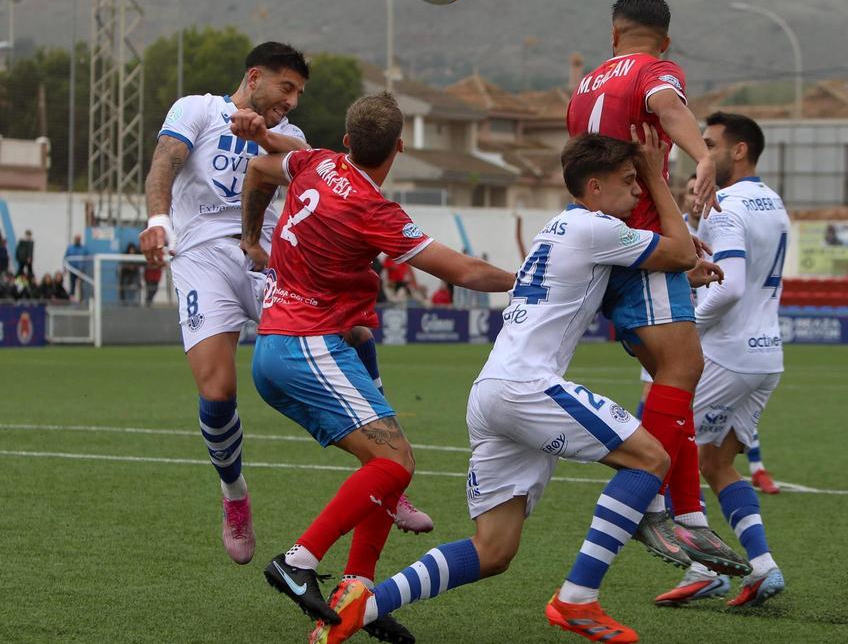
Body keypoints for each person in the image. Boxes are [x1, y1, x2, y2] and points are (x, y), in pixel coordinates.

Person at [308, 129, 700, 644]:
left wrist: (685, 273)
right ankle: (577, 598)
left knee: (493, 550)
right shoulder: (597, 227)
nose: (637, 190)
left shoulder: (561, 228)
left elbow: (612, 282)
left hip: (492, 391)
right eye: (629, 180)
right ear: (595, 187)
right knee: (650, 459)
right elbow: (680, 251)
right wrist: (657, 175)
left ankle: (360, 610)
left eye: (639, 180)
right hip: (526, 387)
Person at [138, 42, 431, 566]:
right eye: (286, 87)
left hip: (266, 257)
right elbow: (166, 159)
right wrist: (159, 219)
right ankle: (234, 495)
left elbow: (297, 164)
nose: (292, 101)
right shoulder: (197, 109)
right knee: (218, 389)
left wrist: (263, 143)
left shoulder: (289, 136)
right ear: (254, 77)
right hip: (201, 260)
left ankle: (389, 475)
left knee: (356, 334)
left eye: (298, 93)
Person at [241, 92, 515, 641]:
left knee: (388, 463)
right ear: (399, 147)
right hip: (306, 346)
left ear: (347, 141)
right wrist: (532, 280)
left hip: (280, 344)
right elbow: (463, 271)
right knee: (394, 462)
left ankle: (356, 589)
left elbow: (258, 169)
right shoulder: (373, 209)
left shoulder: (316, 162)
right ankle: (298, 560)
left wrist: (251, 237)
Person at [566, 0, 745, 577]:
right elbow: (667, 106)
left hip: (605, 239)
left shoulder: (586, 85)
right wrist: (703, 157)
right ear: (664, 40)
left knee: (674, 376)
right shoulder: (654, 70)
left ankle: (687, 513)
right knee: (684, 368)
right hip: (642, 241)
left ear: (613, 34)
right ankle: (655, 503)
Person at [656, 113, 787, 608]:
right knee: (715, 462)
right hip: (766, 356)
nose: (702, 155)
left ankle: (702, 568)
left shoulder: (724, 205)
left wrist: (685, 327)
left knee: (666, 454)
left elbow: (727, 287)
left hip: (727, 354)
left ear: (740, 150)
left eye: (709, 145)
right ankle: (763, 566)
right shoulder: (772, 202)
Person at [64, 234, 89, 300]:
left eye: (78, 239)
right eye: (76, 239)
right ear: (74, 239)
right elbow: (66, 258)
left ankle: (82, 300)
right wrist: (65, 268)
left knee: (81, 286)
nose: (77, 240)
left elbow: (87, 259)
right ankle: (72, 299)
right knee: (72, 285)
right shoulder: (70, 248)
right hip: (72, 270)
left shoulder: (84, 249)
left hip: (81, 270)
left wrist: (83, 268)